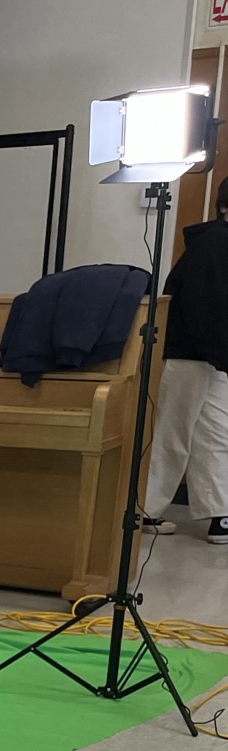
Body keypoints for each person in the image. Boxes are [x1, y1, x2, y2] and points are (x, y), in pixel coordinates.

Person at [143, 179, 228, 544]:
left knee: (216, 433)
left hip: (212, 356)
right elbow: (203, 304)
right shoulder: (214, 242)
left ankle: (218, 513)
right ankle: (145, 509)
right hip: (192, 352)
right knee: (174, 433)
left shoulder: (217, 242)